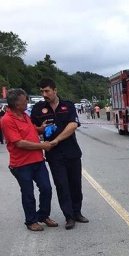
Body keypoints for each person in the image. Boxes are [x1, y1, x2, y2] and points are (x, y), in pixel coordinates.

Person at [31, 78, 87, 230]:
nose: (44, 94)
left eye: (47, 91)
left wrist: (56, 139)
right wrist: (40, 129)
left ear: (55, 90)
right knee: (62, 185)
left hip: (71, 151)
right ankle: (69, 216)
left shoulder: (67, 106)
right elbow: (31, 128)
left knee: (75, 184)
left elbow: (73, 124)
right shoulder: (38, 109)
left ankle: (77, 212)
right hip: (54, 154)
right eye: (42, 91)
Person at [2, 89, 55, 231]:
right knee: (28, 193)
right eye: (24, 99)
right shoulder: (7, 120)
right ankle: (31, 221)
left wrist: (40, 129)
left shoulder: (24, 115)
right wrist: (43, 145)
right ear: (17, 104)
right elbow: (19, 143)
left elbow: (30, 130)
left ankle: (43, 215)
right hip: (21, 164)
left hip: (37, 160)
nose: (27, 101)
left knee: (46, 188)